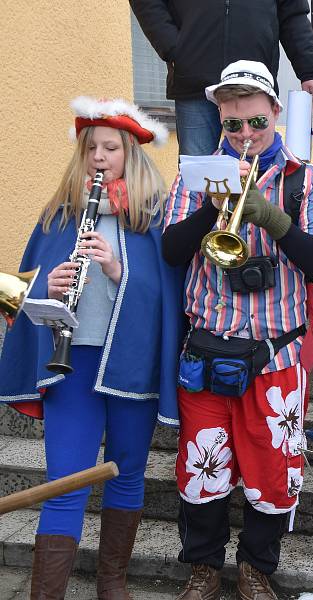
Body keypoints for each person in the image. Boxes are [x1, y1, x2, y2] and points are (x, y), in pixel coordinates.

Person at [161, 59, 313, 600]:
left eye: (256, 122)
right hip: (208, 350)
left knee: (272, 468)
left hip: (276, 356)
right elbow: (170, 251)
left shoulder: (307, 178)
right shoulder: (196, 172)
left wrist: (271, 217)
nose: (245, 135)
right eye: (233, 124)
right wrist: (206, 212)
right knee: (202, 465)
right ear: (219, 118)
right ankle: (205, 568)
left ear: (276, 114)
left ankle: (256, 570)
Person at [0, 97, 185, 599]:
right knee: (65, 478)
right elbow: (20, 292)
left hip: (133, 365)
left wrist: (120, 272)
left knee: (126, 472)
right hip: (71, 362)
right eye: (91, 149)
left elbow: (171, 298)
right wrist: (47, 288)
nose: (99, 157)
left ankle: (113, 586)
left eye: (111, 148)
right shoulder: (59, 215)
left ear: (131, 153)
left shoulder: (154, 218)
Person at [130, 0, 313, 156]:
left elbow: (293, 13)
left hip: (254, 86)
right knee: (198, 180)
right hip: (194, 81)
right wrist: (173, 47)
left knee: (258, 175)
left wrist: (309, 70)